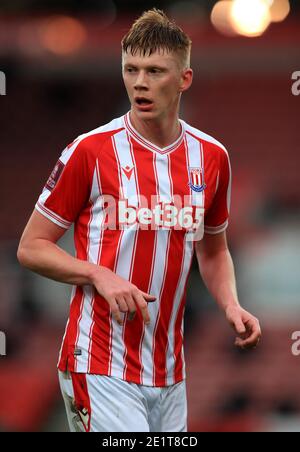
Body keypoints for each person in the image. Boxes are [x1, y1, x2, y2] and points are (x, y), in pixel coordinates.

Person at [17, 9, 261, 433]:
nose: (140, 82)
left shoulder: (212, 157)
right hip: (98, 361)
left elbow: (214, 249)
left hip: (169, 372)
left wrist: (231, 303)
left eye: (154, 70)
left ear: (184, 79)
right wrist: (97, 275)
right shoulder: (89, 151)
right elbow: (31, 247)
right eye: (131, 69)